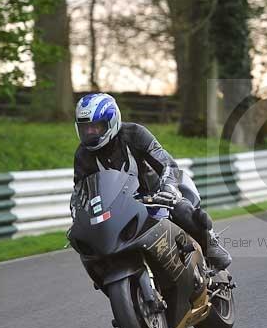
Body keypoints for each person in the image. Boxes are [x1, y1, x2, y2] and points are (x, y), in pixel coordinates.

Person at [72, 93, 232, 270]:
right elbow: (81, 191)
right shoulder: (82, 155)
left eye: (95, 127)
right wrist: (80, 215)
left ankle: (211, 246)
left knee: (182, 209)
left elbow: (167, 163)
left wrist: (169, 188)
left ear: (111, 121)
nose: (89, 132)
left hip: (155, 197)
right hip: (120, 208)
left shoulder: (135, 134)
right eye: (85, 128)